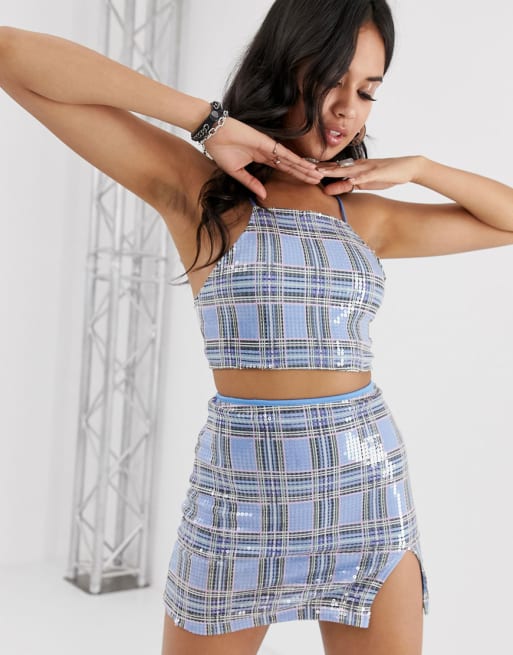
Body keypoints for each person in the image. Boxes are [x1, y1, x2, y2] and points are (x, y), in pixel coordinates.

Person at [1, 1, 513, 653]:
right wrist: (206, 121)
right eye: (330, 80)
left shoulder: (364, 216)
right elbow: (11, 54)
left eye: (366, 92)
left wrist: (420, 169)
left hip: (365, 498)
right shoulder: (199, 193)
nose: (346, 110)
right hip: (236, 506)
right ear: (283, 66)